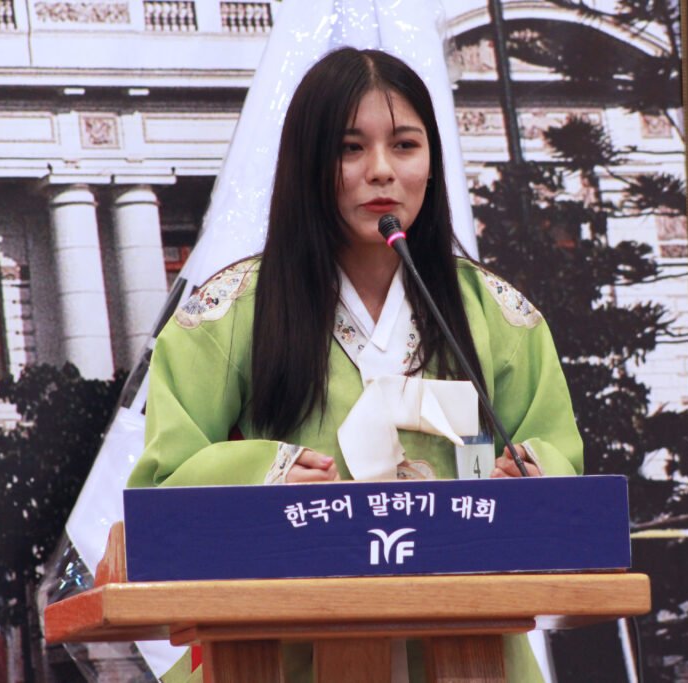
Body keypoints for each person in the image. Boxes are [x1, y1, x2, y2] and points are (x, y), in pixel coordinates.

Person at [128, 46, 583, 683]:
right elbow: (161, 495)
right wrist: (263, 478)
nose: (381, 171)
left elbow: (558, 466)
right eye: (350, 148)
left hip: (468, 655)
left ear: (433, 164)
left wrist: (531, 476)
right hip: (278, 657)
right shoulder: (227, 315)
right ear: (307, 163)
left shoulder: (500, 318)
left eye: (405, 145)